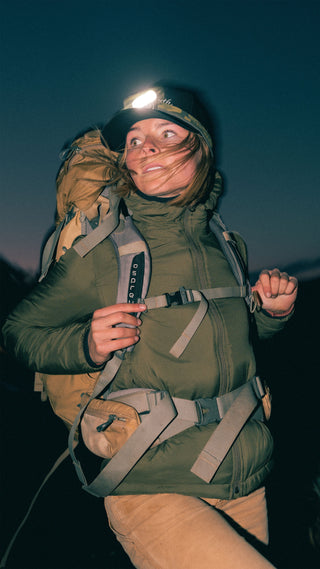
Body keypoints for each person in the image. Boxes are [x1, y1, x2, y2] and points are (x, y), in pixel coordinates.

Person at [3, 83, 298, 569]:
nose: (146, 148)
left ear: (200, 147)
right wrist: (84, 344)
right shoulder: (104, 249)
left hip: (244, 475)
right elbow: (17, 332)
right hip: (150, 483)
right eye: (135, 140)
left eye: (166, 132)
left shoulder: (227, 244)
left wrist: (271, 314)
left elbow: (236, 345)